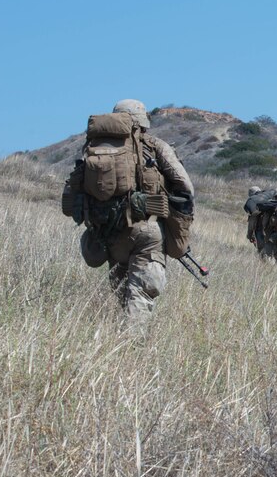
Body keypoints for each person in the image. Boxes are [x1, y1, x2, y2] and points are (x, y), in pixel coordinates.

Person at [60, 99, 194, 329]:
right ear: (142, 121)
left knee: (123, 295)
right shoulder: (154, 145)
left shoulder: (92, 149)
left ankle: (120, 346)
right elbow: (186, 188)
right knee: (140, 296)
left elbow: (72, 197)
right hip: (146, 232)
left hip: (109, 234)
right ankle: (132, 349)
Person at [244, 185, 277, 260]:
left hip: (260, 230)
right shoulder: (268, 198)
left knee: (262, 251)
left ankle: (265, 267)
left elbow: (251, 224)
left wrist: (249, 235)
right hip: (274, 228)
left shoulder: (254, 205)